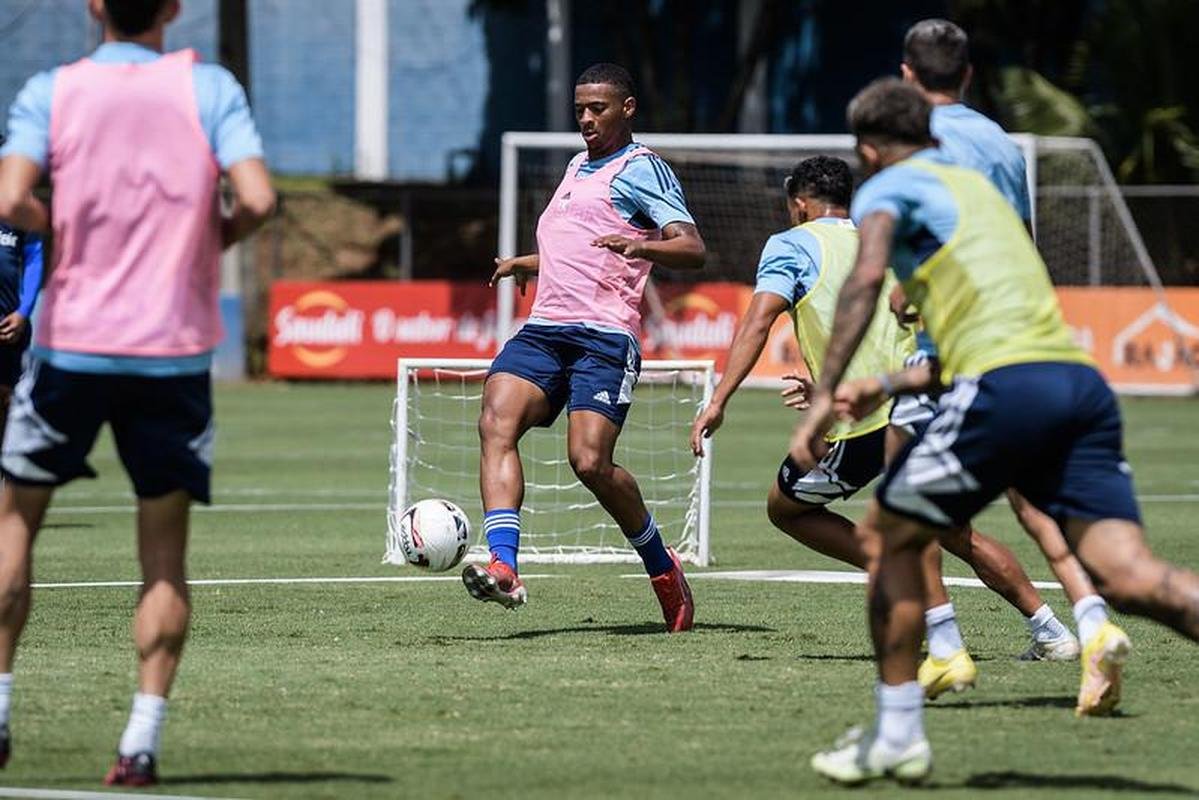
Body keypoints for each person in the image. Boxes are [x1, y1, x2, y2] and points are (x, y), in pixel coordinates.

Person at [795, 77, 1199, 786]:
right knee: (1129, 576)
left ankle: (895, 735)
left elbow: (862, 284)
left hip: (1003, 389)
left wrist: (826, 390)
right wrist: (884, 383)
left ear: (867, 148)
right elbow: (982, 335)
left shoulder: (887, 189)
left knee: (886, 534)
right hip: (1078, 386)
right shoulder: (983, 197)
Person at [0, 0, 275, 785]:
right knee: (162, 554)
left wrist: (68, 229)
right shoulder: (210, 86)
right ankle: (141, 741)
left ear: (95, 6)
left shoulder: (53, 89)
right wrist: (203, 242)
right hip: (171, 351)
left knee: (15, 522)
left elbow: (11, 197)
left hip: (73, 343)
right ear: (174, 9)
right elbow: (256, 199)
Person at [689, 155, 1076, 680]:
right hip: (922, 406)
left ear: (798, 203)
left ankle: (894, 576)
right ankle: (1051, 630)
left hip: (866, 423)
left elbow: (758, 321)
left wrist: (718, 399)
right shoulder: (885, 240)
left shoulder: (791, 244)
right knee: (953, 532)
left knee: (786, 507)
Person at [900, 17, 1130, 712]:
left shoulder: (915, 145)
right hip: (1020, 341)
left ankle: (943, 650)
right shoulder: (1001, 142)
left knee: (903, 499)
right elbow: (1021, 244)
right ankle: (1089, 624)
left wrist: (907, 297)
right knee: (1032, 503)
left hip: (952, 346)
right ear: (966, 73)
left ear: (908, 76)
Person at [465, 63, 706, 631]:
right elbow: (580, 249)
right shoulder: (577, 166)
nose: (586, 119)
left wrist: (639, 246)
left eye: (598, 108)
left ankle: (662, 568)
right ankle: (505, 566)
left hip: (604, 337)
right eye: (580, 109)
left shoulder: (642, 169)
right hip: (545, 328)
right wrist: (530, 262)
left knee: (589, 462)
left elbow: (692, 248)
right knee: (495, 423)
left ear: (627, 108)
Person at [0, 213, 42, 437]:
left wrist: (23, 312)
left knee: (7, 398)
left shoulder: (16, 206)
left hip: (8, 324)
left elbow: (34, 257)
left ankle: (5, 469)